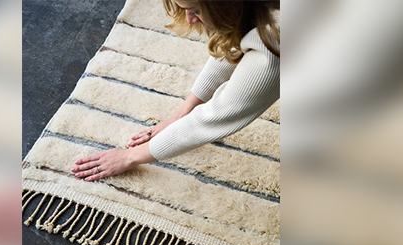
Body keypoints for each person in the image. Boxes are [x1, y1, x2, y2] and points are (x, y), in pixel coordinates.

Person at [70, 0, 280, 181]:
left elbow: (219, 116)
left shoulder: (279, 37)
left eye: (195, 10)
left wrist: (130, 156)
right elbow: (233, 44)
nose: (189, 19)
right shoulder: (256, 8)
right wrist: (183, 112)